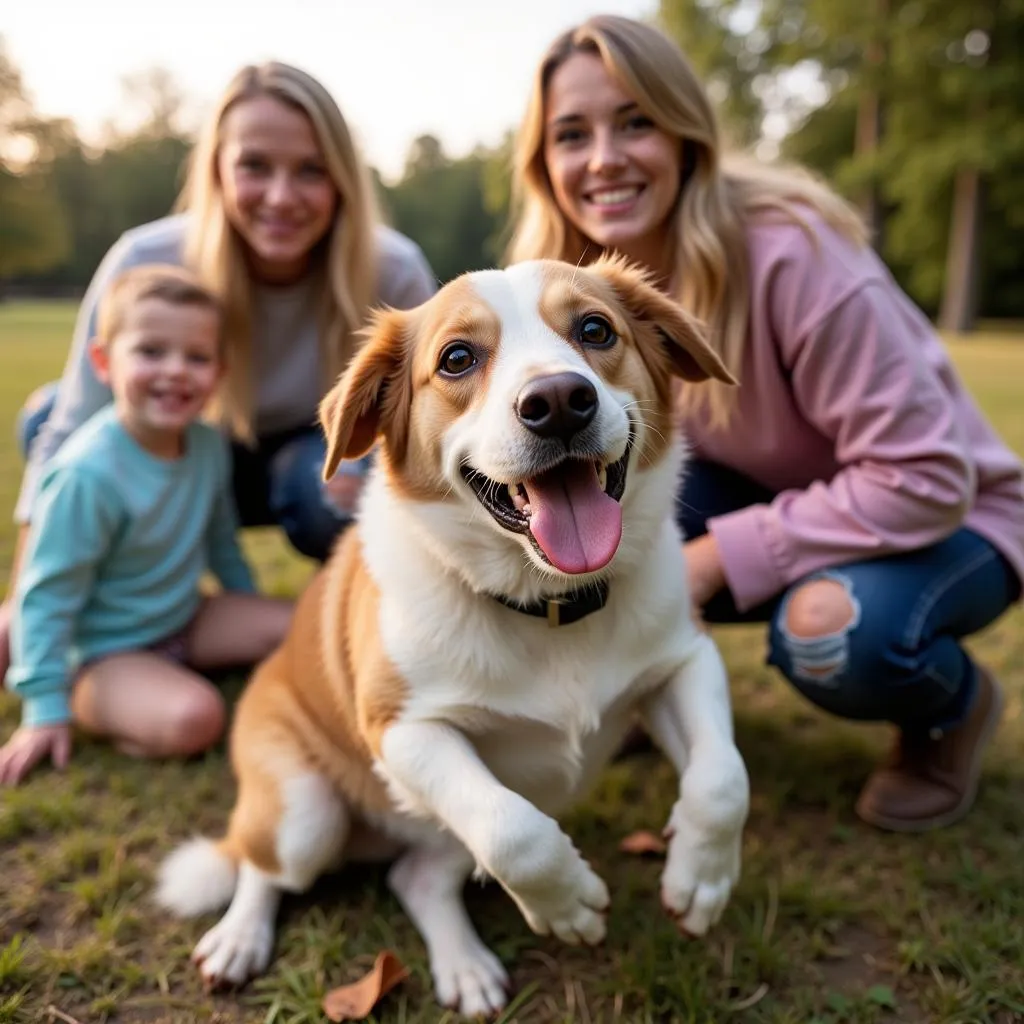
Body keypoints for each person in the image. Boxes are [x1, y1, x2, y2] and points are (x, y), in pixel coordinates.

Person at [506, 15, 1024, 832]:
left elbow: (927, 478)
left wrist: (714, 557)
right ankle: (641, 692)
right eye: (573, 135)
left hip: (956, 518)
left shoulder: (796, 252)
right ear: (545, 164)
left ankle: (950, 708)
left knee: (832, 635)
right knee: (581, 514)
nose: (603, 157)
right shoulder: (560, 285)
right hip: (787, 492)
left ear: (685, 133)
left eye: (635, 121)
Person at [1, 60, 437, 680]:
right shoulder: (147, 257)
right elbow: (67, 435)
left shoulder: (391, 271)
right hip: (187, 451)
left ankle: (355, 629)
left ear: (342, 180)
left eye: (310, 170)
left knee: (324, 485)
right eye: (255, 166)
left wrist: (366, 472)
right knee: (47, 413)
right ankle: (104, 612)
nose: (281, 197)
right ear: (218, 170)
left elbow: (429, 433)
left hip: (307, 464)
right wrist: (23, 601)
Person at [1, 265, 295, 786]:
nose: (176, 371)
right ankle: (75, 690)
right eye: (151, 352)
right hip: (100, 648)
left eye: (197, 357)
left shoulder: (206, 446)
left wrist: (244, 604)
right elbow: (48, 595)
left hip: (182, 619)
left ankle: (162, 675)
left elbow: (219, 541)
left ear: (219, 372)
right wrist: (44, 706)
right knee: (196, 719)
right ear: (103, 362)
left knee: (299, 627)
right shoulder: (86, 476)